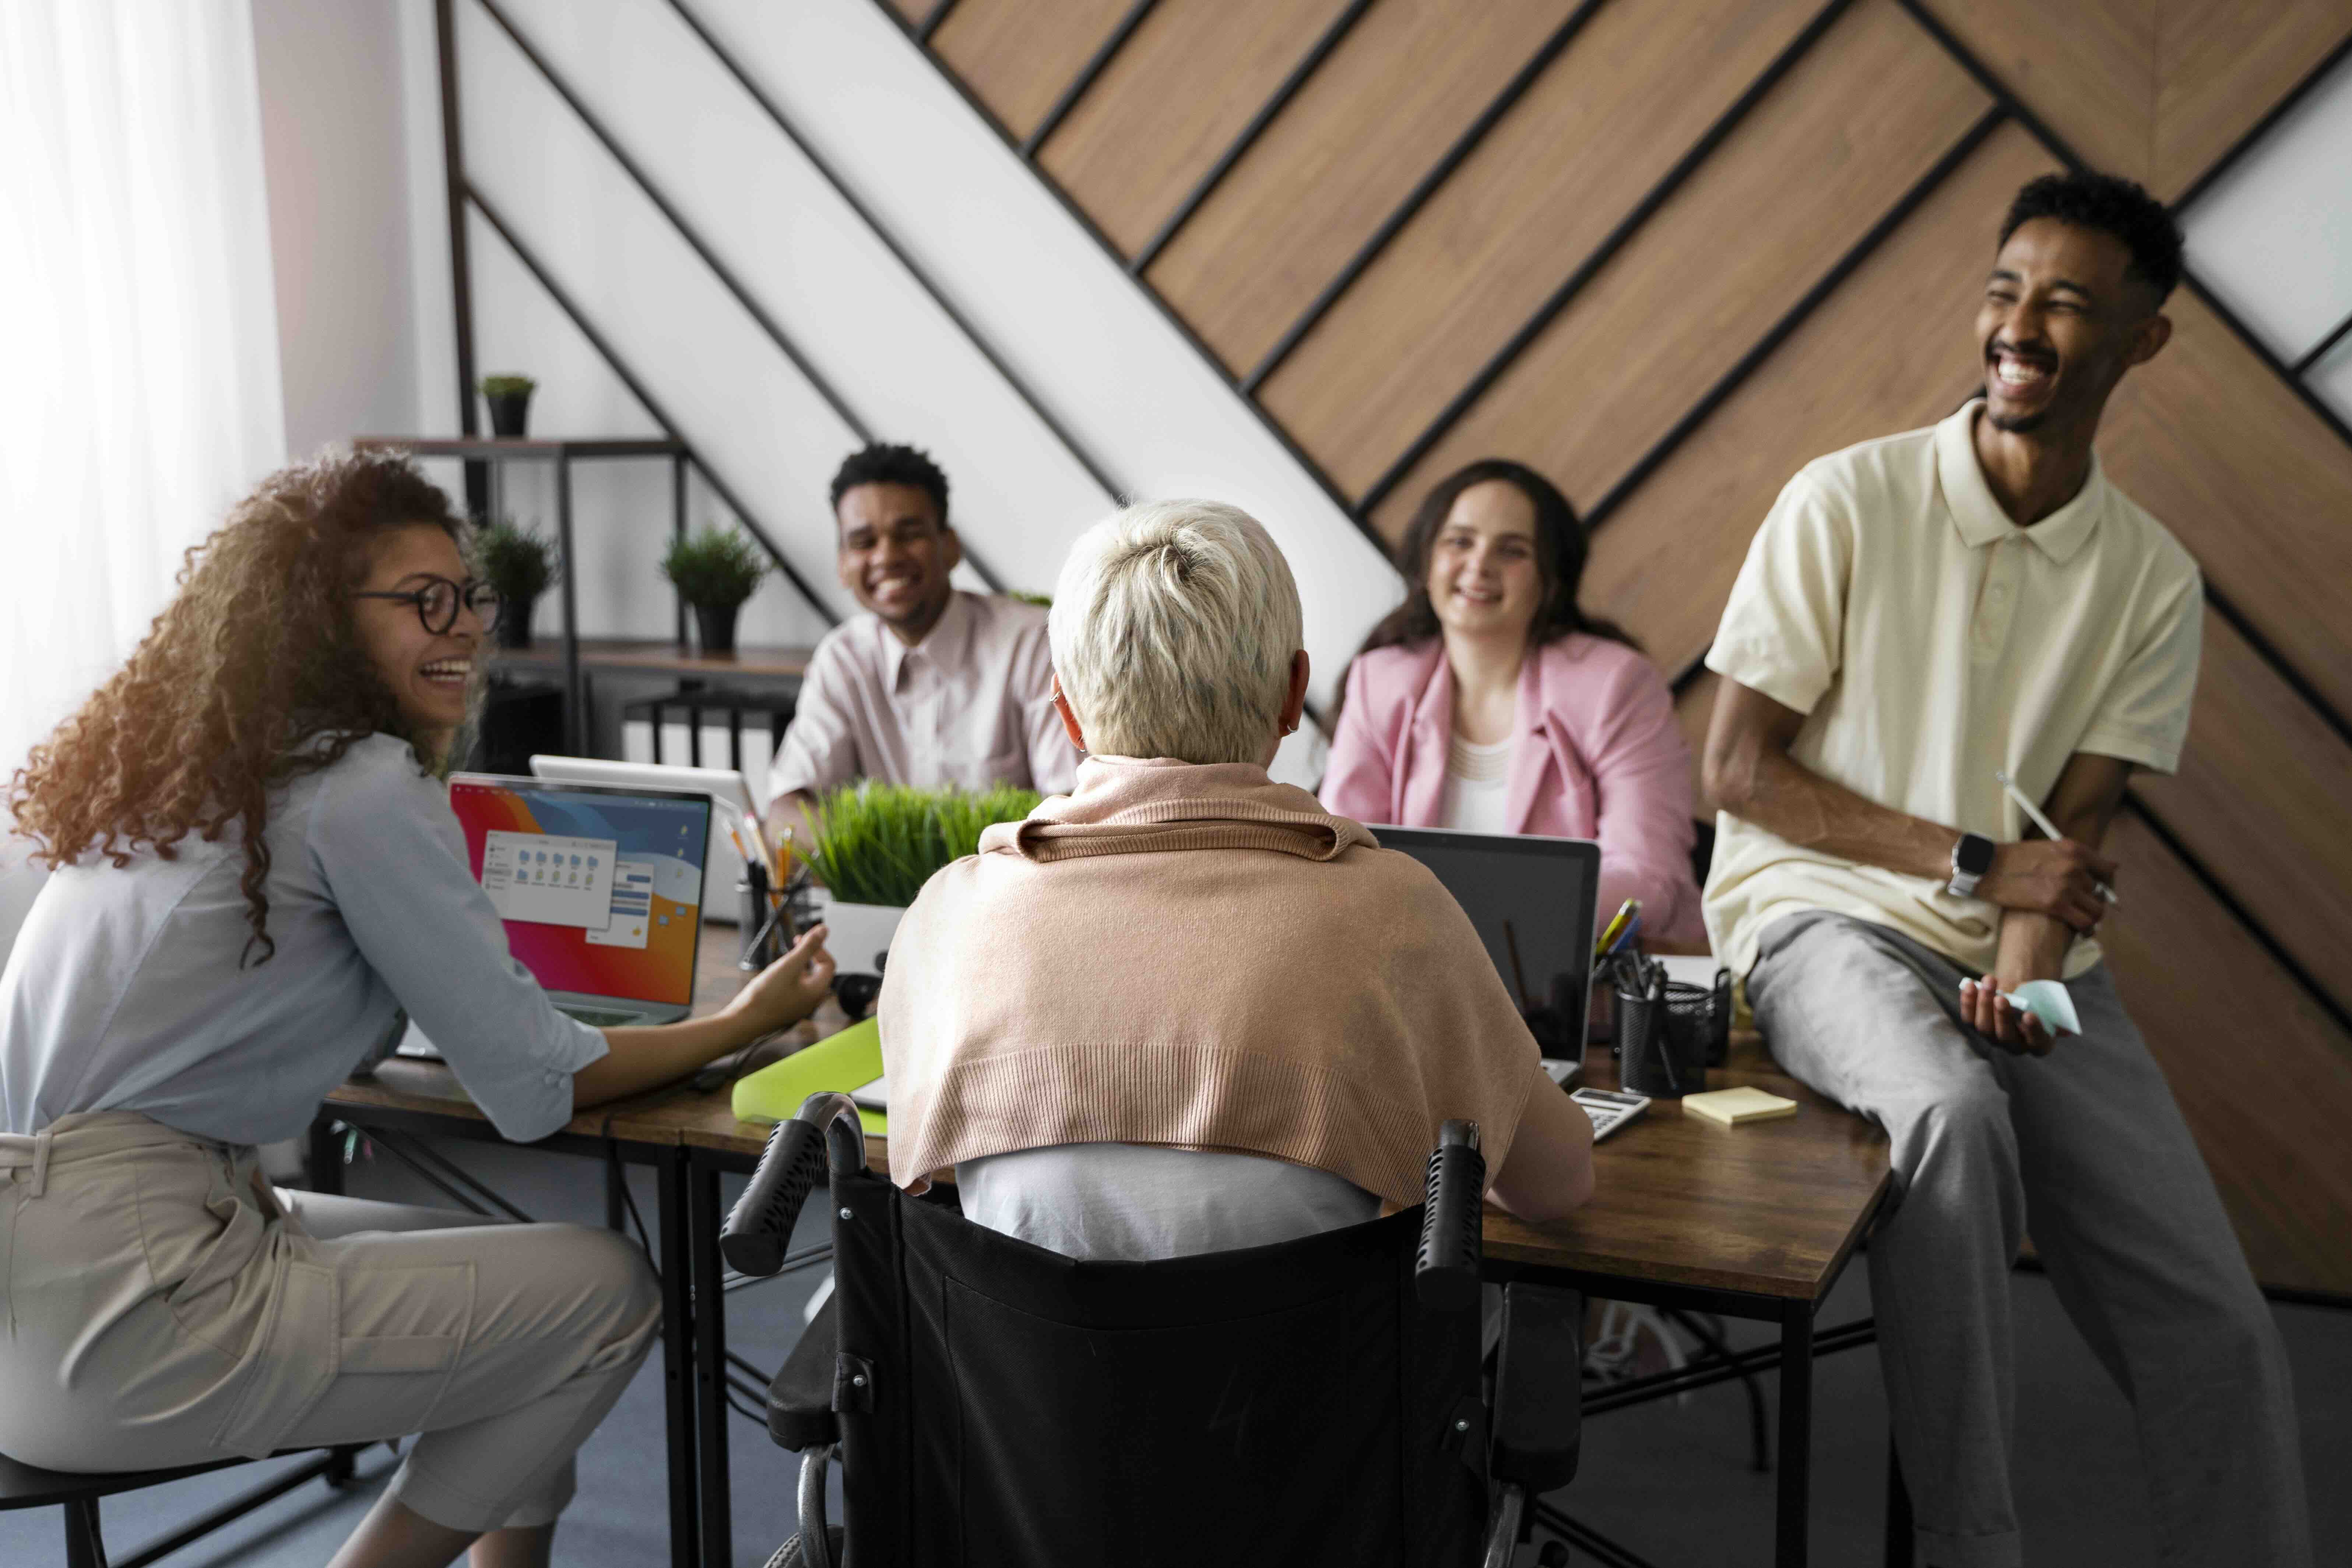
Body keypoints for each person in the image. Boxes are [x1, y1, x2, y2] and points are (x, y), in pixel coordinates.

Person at [0, 452, 837, 1568]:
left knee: (515, 1285)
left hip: (41, 1294)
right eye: (422, 600)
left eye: (468, 599)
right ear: (320, 622)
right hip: (133, 1305)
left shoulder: (195, 775)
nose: (462, 629)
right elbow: (535, 1090)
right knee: (604, 1295)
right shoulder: (359, 788)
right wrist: (746, 1021)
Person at [1700, 172, 2308, 1568]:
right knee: (1949, 1119)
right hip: (1819, 919)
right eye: (2003, 289)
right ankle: (1976, 1545)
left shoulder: (2151, 578)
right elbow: (1736, 770)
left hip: (2027, 953)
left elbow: (2075, 835)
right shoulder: (1844, 498)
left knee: (2213, 1322)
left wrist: (2025, 965)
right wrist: (1977, 870)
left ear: (2140, 343)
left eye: (2063, 303)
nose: (2017, 326)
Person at [876, 499, 1595, 1262]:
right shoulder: (1397, 911)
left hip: (1008, 1381)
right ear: (1294, 693)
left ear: (1068, 715)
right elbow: (1558, 1186)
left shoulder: (946, 917)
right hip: (1322, 1380)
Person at [1321, 460, 1705, 949]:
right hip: (1415, 976)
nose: (1479, 565)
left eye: (1512, 550)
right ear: (1424, 560)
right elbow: (1342, 856)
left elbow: (1650, 879)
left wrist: (1496, 920)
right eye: (1459, 541)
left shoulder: (1614, 684)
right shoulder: (1380, 678)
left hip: (1581, 986)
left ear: (1551, 579)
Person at [766, 443, 1079, 847]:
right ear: (843, 563)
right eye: (864, 542)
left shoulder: (1032, 643)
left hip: (1009, 901)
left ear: (950, 546)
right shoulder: (843, 658)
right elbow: (785, 813)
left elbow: (1070, 811)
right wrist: (883, 865)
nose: (887, 557)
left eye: (909, 534)